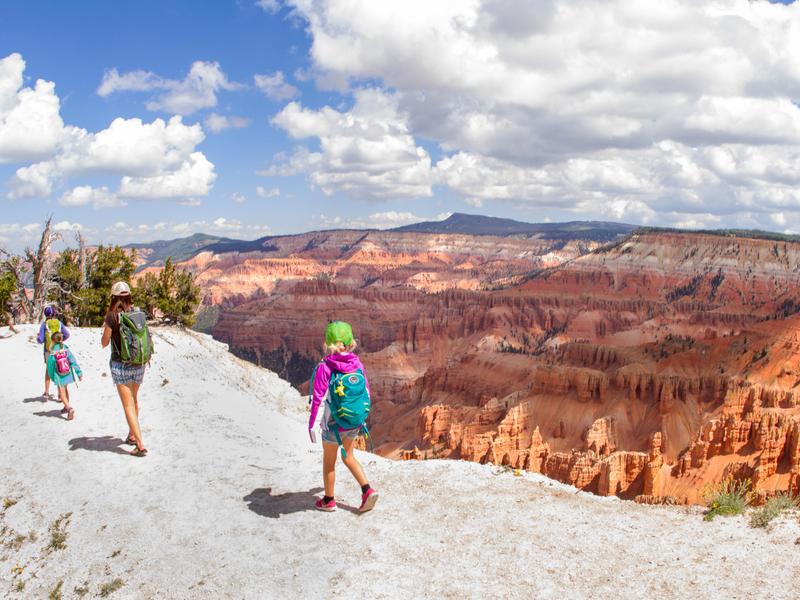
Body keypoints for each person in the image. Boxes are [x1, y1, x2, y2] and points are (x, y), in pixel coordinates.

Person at [308, 321, 378, 513]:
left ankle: (329, 500)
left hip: (333, 425)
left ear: (328, 343)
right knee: (349, 456)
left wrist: (312, 426)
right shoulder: (357, 363)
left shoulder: (325, 367)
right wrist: (362, 416)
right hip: (353, 422)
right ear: (350, 343)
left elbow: (318, 400)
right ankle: (367, 490)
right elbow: (366, 391)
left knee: (329, 463)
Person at [101, 281, 147, 457]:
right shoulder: (137, 313)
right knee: (134, 400)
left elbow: (104, 343)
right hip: (139, 363)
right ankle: (131, 435)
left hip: (121, 365)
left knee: (127, 405)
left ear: (113, 297)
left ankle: (140, 444)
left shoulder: (112, 317)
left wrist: (108, 328)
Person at [46, 331, 82, 420]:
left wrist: (52, 376)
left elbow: (49, 366)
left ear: (53, 341)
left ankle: (69, 408)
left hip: (59, 375)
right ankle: (66, 407)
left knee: (61, 391)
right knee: (65, 389)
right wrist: (79, 373)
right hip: (67, 373)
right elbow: (73, 361)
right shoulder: (65, 349)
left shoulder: (53, 352)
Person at [37, 306, 70, 399]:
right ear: (54, 314)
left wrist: (38, 338)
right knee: (59, 370)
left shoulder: (44, 324)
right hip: (59, 349)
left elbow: (40, 339)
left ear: (45, 314)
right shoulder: (59, 323)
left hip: (49, 350)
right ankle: (60, 395)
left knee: (48, 370)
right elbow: (67, 334)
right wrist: (60, 341)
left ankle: (47, 392)